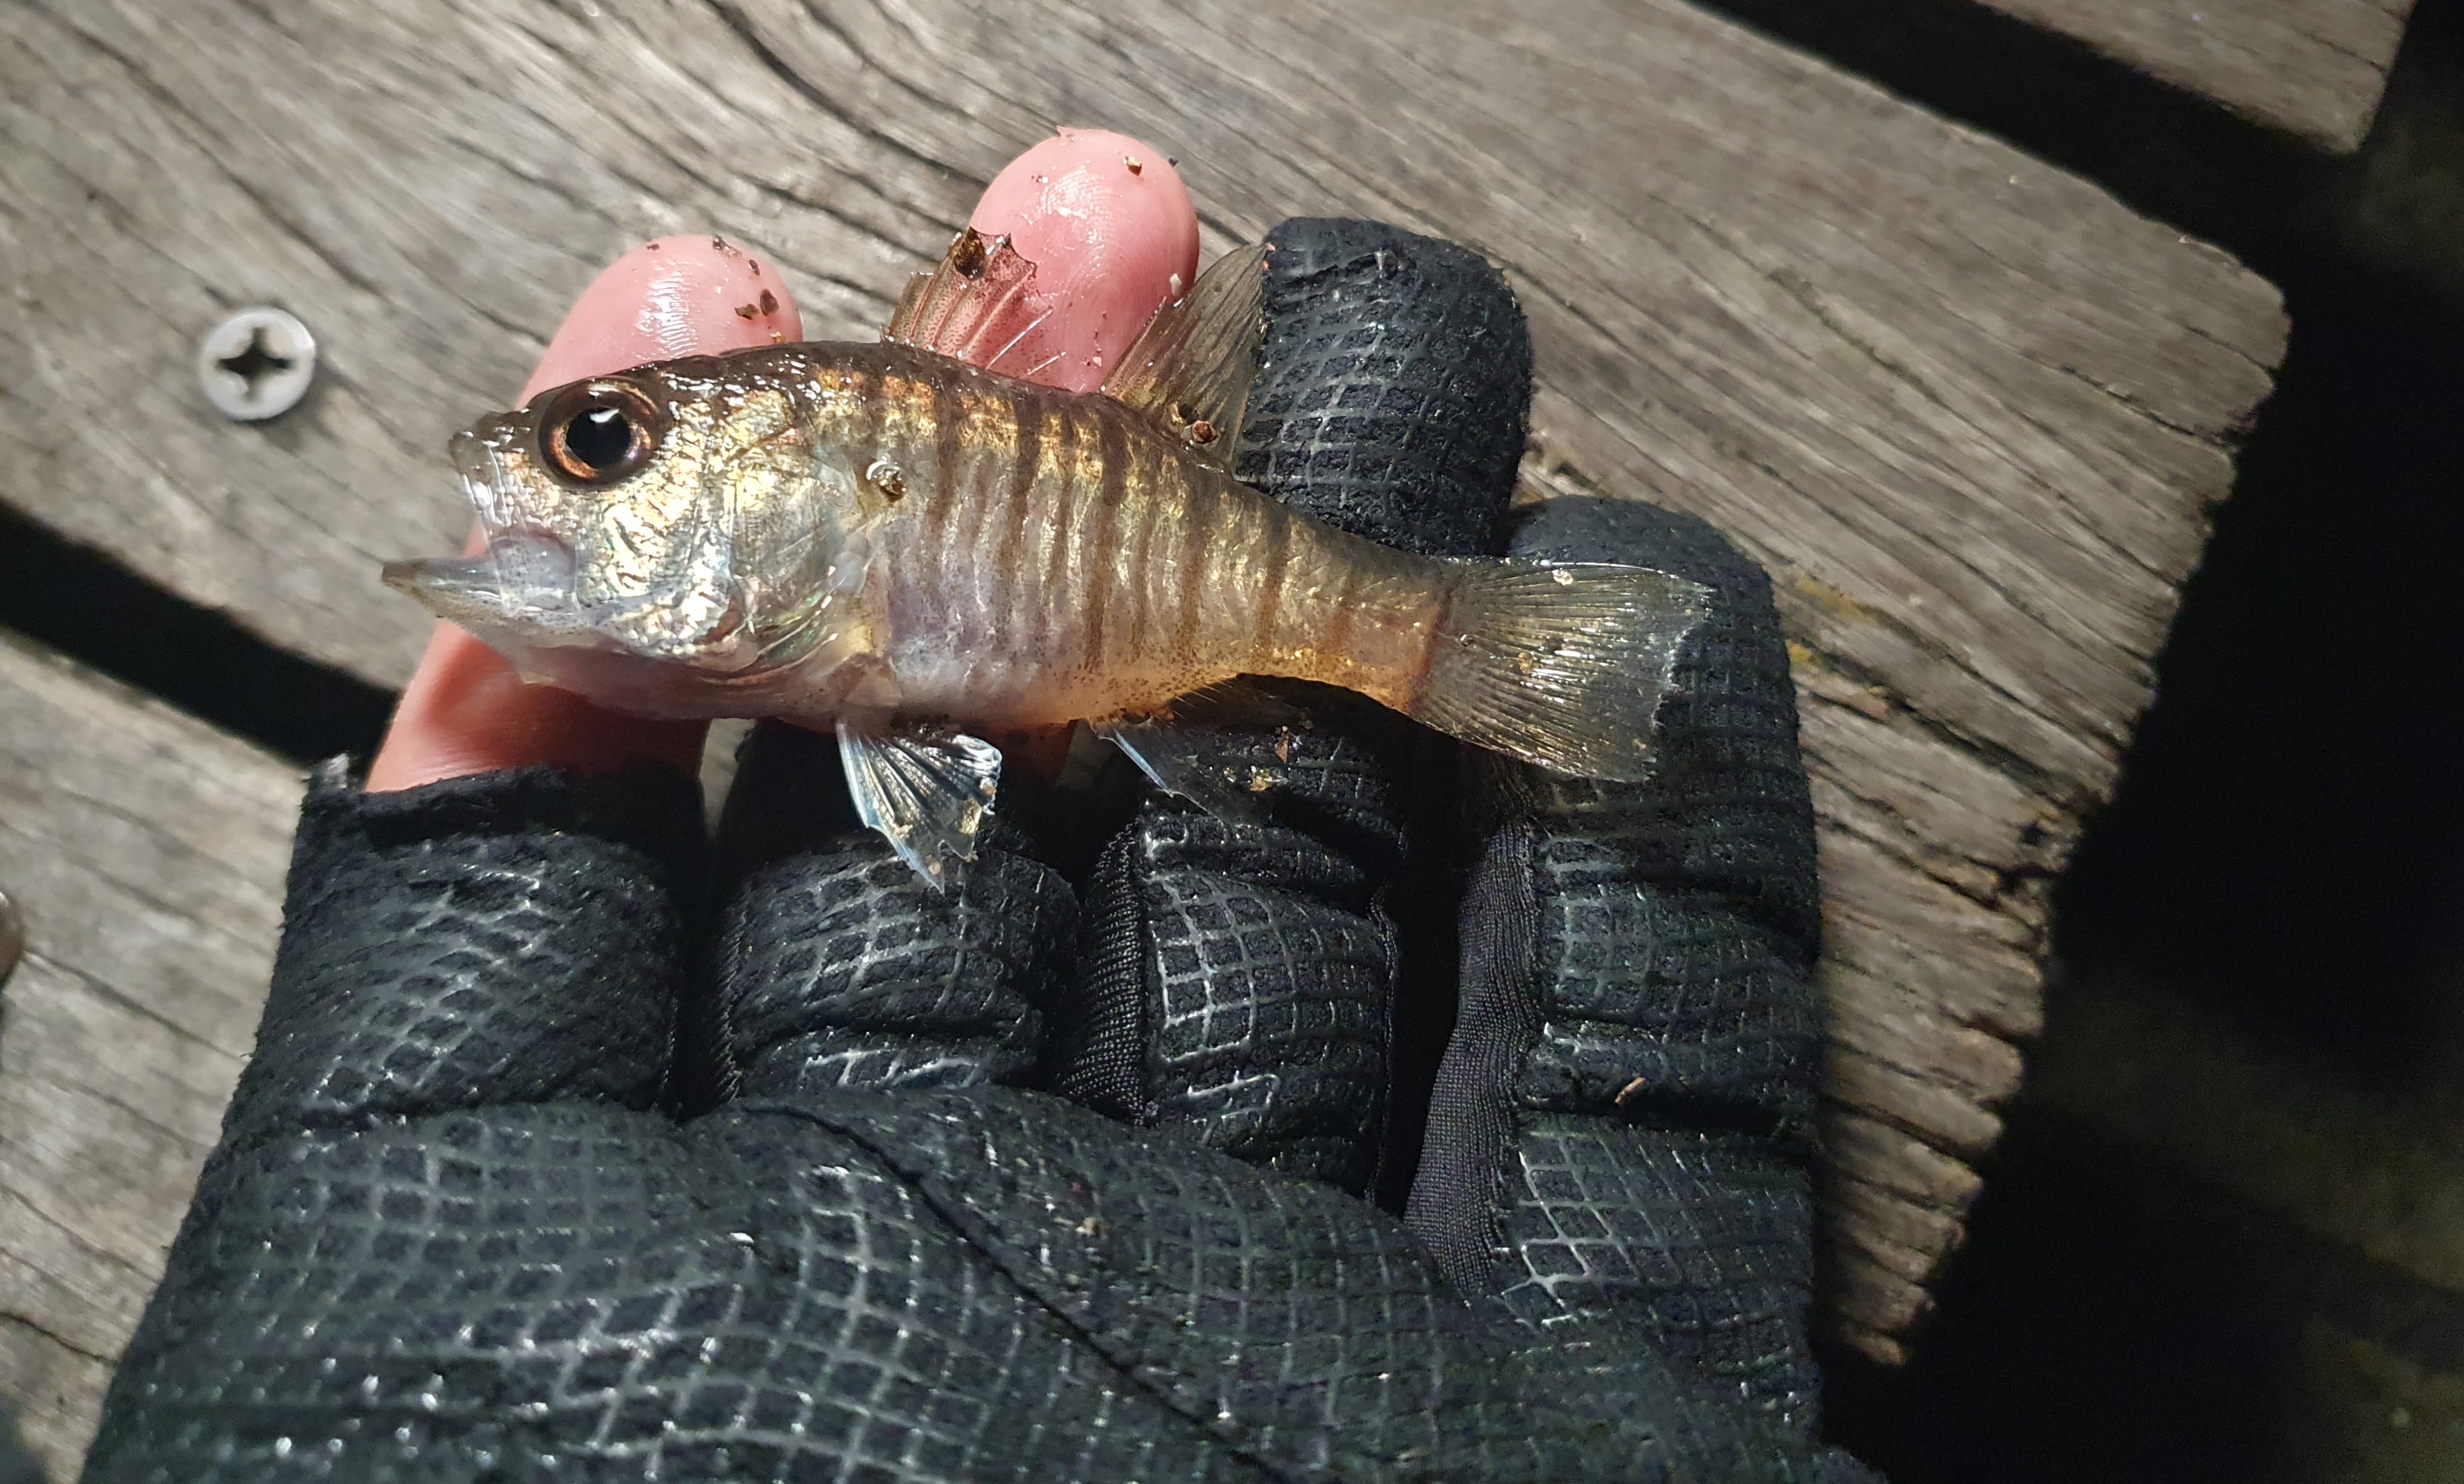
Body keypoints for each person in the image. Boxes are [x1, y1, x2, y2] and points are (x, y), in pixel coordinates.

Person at [81, 132, 1878, 1482]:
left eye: (599, 444)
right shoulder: (831, 601)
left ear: (782, 477)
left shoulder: (872, 559)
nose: (539, 468)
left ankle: (1466, 651)